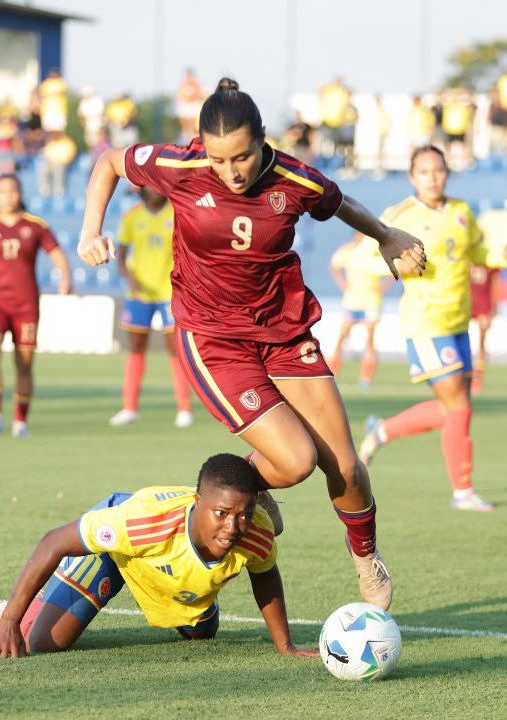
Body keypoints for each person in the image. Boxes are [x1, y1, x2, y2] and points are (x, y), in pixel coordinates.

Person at [77, 78, 427, 609]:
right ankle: (212, 502)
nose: (230, 172)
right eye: (218, 160)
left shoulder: (293, 178)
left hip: (284, 331)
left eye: (241, 157)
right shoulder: (179, 166)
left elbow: (339, 201)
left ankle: (366, 560)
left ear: (263, 140)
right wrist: (89, 231)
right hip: (215, 340)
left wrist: (386, 235)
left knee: (347, 467)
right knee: (293, 462)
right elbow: (108, 161)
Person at [0, 453, 317, 660]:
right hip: (119, 549)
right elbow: (52, 542)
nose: (233, 526)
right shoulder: (139, 523)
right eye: (222, 513)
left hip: (170, 566)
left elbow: (266, 576)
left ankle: (193, 596)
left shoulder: (255, 532)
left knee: (202, 635)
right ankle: (16, 612)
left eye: (244, 513)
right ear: (199, 502)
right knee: (44, 643)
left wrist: (285, 645)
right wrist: (12, 620)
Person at [358, 145, 507, 511]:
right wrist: (400, 267)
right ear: (411, 177)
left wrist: (503, 258)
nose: (432, 177)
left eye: (438, 170)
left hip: (457, 322)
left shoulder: (462, 211)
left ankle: (381, 432)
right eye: (423, 171)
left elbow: (478, 253)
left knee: (453, 408)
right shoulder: (400, 215)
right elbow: (365, 258)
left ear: (447, 173)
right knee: (459, 406)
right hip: (425, 322)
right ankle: (463, 491)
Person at [0, 173, 72, 437]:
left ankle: (20, 420)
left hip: (25, 305)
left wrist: (66, 277)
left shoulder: (36, 226)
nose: (8, 196)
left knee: (25, 363)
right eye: (3, 191)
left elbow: (57, 253)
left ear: (20, 193)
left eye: (13, 191)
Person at [109, 186, 193, 429]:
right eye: (151, 185)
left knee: (175, 350)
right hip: (139, 293)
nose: (157, 188)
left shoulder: (176, 214)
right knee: (136, 347)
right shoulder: (132, 216)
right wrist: (130, 279)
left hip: (169, 292)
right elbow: (122, 255)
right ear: (142, 189)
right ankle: (130, 407)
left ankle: (184, 408)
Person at [328, 233, 389, 386]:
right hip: (352, 300)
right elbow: (333, 265)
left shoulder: (376, 251)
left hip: (371, 301)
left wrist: (383, 286)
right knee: (341, 337)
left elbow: (396, 268)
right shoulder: (348, 250)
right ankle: (332, 374)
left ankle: (366, 379)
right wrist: (342, 284)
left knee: (369, 340)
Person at [469, 265, 500, 395]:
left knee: (481, 344)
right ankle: (462, 376)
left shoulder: (489, 262)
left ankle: (477, 379)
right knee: (460, 339)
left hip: (483, 306)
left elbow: (495, 284)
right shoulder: (464, 257)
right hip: (464, 304)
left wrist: (493, 308)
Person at [38, 130, 78, 198]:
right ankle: (45, 188)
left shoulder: (68, 142)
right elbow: (46, 154)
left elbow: (71, 156)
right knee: (42, 167)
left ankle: (59, 190)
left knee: (59, 168)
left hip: (63, 164)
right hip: (51, 163)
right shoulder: (52, 142)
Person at [176, 68, 205, 143]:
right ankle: (185, 136)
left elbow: (200, 93)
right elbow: (179, 94)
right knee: (185, 123)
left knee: (193, 124)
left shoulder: (196, 83)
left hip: (193, 105)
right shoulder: (183, 83)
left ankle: (192, 137)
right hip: (185, 105)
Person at [38, 68, 69, 133]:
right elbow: (41, 96)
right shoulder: (45, 84)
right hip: (47, 110)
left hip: (59, 110)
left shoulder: (61, 83)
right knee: (48, 130)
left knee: (59, 129)